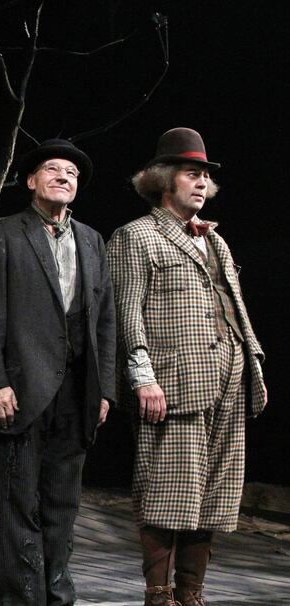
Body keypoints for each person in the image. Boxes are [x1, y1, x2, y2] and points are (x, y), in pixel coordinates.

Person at [107, 128, 267, 606]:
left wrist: (253, 360)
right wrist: (143, 379)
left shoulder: (216, 241)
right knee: (166, 492)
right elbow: (125, 313)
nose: (201, 183)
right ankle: (158, 595)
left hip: (228, 379)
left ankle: (191, 594)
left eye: (204, 176)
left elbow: (235, 308)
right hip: (174, 384)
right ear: (162, 180)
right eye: (190, 174)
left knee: (215, 498)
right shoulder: (136, 236)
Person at [0, 138, 116, 605]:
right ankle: (19, 599)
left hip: (77, 393)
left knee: (62, 507)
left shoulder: (92, 240)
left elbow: (105, 320)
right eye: (52, 169)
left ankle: (57, 597)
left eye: (71, 173)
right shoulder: (4, 232)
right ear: (31, 181)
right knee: (19, 507)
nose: (63, 177)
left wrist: (105, 389)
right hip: (23, 389)